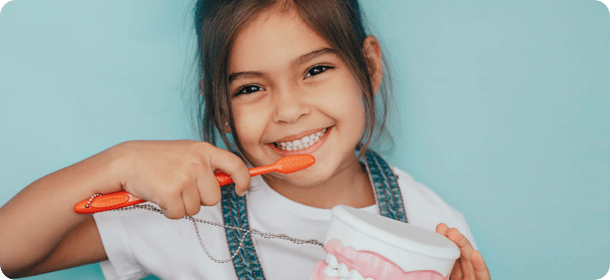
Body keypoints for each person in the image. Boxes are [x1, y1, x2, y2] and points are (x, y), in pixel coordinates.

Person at [0, 0, 491, 279]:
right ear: (220, 108)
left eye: (316, 70)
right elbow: (9, 251)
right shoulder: (189, 212)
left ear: (369, 67)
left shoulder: (436, 231)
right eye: (251, 88)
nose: (289, 111)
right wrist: (118, 162)